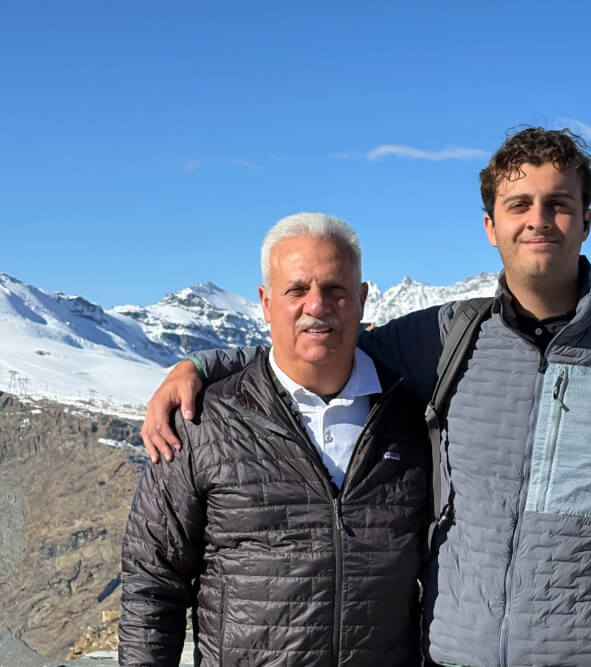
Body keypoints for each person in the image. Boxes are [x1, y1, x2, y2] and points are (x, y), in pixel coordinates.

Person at [140, 129, 591, 666]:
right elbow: (319, 340)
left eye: (558, 203)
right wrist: (202, 364)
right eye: (518, 202)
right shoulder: (442, 339)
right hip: (454, 654)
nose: (539, 218)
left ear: (586, 220)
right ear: (490, 225)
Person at [118, 214, 430, 666]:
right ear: (265, 303)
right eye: (297, 290)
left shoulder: (413, 418)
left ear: (361, 301)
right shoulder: (202, 420)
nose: (317, 306)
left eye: (336, 290)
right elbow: (152, 584)